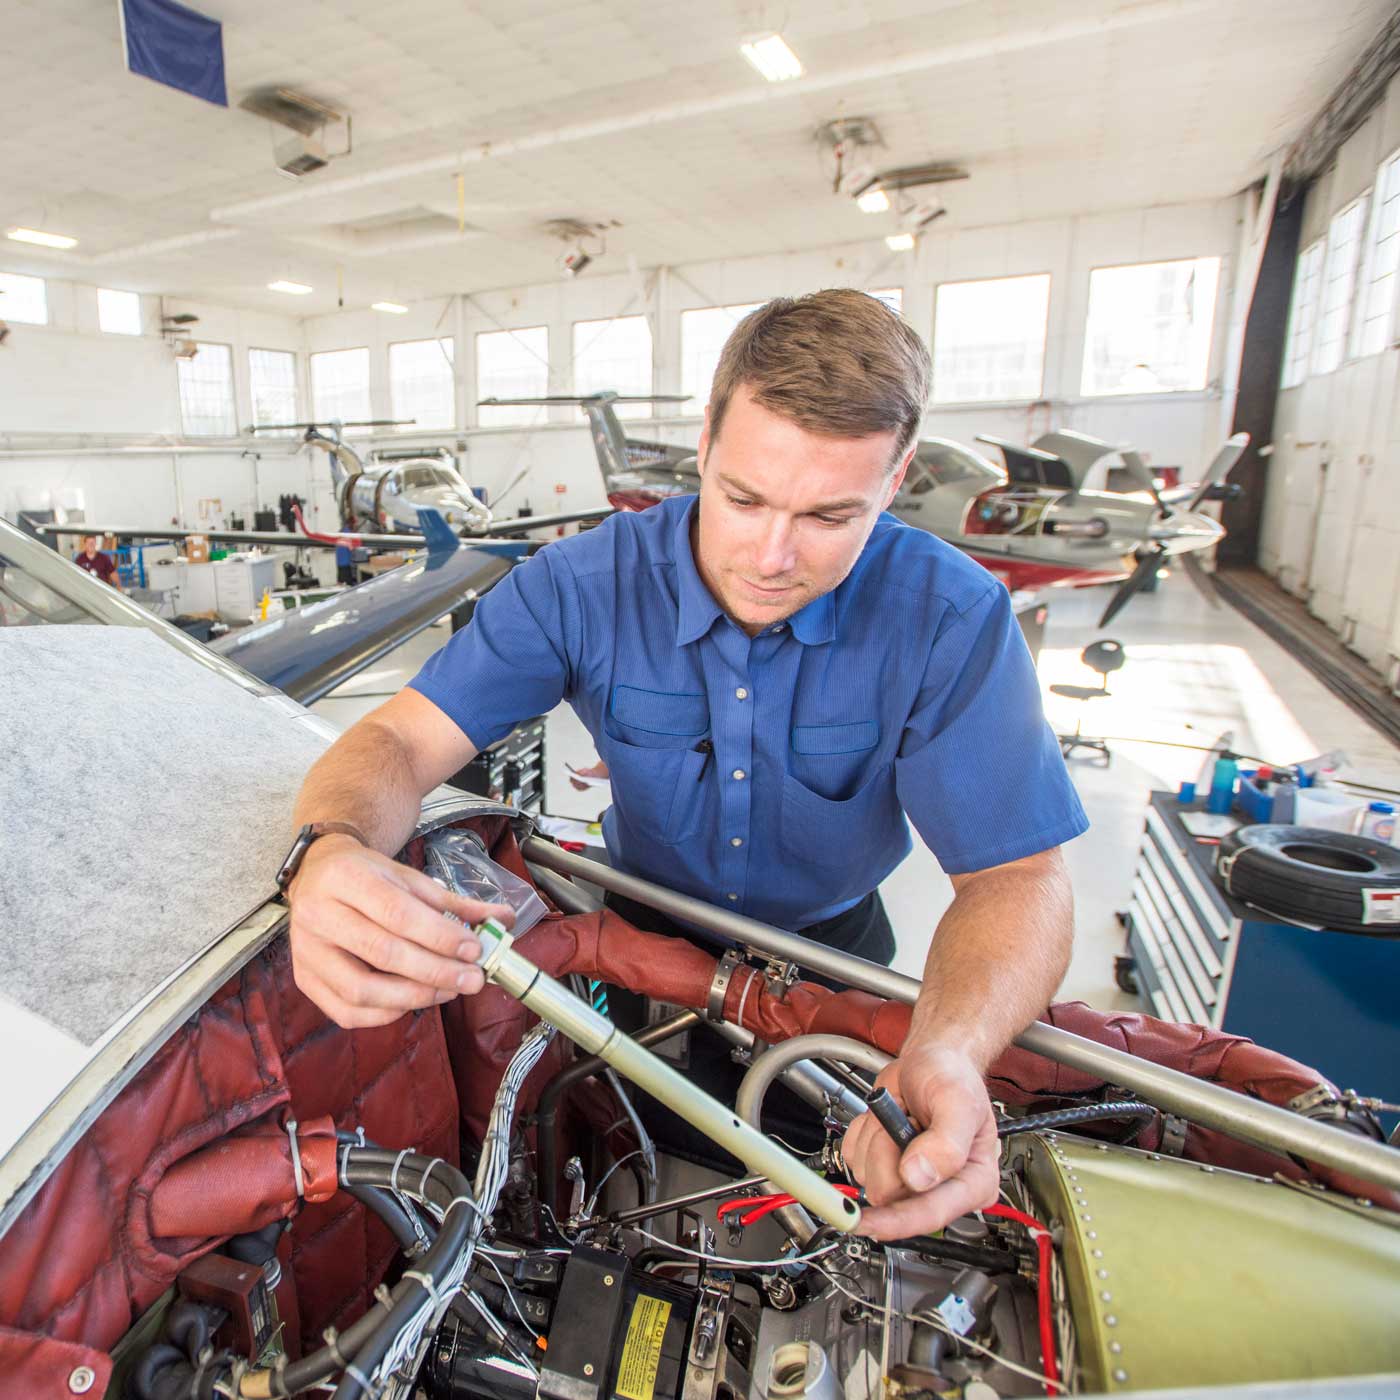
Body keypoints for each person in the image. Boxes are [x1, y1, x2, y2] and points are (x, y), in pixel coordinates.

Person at [284, 290, 1088, 1240]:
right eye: (743, 498)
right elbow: (399, 741)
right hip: (634, 946)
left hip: (831, 961)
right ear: (704, 442)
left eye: (831, 516)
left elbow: (1017, 876)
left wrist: (950, 1049)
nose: (772, 555)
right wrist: (330, 851)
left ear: (897, 477)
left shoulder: (950, 618)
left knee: (818, 1201)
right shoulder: (582, 586)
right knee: (626, 1173)